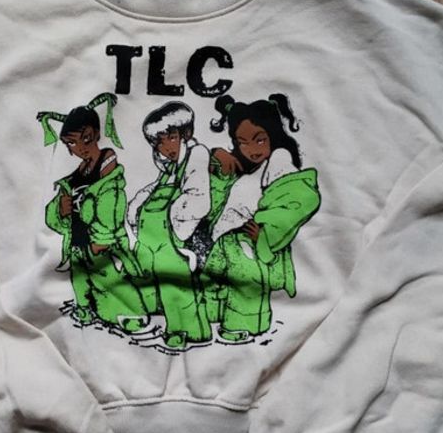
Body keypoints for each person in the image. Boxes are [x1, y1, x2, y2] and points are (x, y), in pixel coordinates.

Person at [200, 93, 321, 342]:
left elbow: (298, 201)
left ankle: (241, 325)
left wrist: (265, 234)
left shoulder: (279, 161)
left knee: (247, 281)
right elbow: (219, 195)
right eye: (242, 142)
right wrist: (217, 158)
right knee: (214, 277)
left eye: (259, 140)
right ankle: (213, 315)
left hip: (250, 239)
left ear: (273, 135)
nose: (251, 149)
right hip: (225, 239)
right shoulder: (247, 167)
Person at [37, 92, 149, 333]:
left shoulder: (108, 171)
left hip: (100, 243)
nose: (79, 148)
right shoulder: (76, 175)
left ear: (96, 134)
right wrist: (60, 210)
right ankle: (85, 309)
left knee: (108, 278)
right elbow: (54, 214)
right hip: (78, 242)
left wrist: (103, 240)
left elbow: (113, 208)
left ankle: (132, 314)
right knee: (81, 279)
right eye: (71, 143)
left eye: (85, 139)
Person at [127, 101, 212, 350]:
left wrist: (177, 228)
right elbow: (151, 190)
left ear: (186, 134)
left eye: (172, 138)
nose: (166, 147)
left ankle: (186, 330)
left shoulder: (196, 156)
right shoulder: (168, 170)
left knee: (177, 283)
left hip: (174, 237)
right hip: (151, 239)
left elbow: (198, 197)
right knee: (145, 275)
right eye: (159, 143)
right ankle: (147, 316)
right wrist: (134, 210)